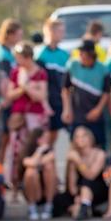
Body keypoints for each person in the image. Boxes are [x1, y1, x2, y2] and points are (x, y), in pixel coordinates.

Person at [61, 39, 111, 146]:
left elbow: (106, 92)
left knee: (98, 145)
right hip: (77, 115)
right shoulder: (72, 65)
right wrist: (67, 109)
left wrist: (97, 110)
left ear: (91, 54)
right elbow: (65, 89)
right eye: (80, 52)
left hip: (96, 116)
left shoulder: (103, 69)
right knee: (76, 145)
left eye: (83, 53)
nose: (80, 55)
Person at [58, 125, 108, 220]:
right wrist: (77, 195)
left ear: (90, 137)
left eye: (84, 136)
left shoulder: (99, 154)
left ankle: (83, 207)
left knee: (87, 183)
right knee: (60, 198)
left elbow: (91, 175)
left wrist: (78, 161)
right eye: (77, 136)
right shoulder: (74, 155)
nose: (80, 139)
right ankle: (82, 207)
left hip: (97, 189)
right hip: (80, 190)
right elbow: (72, 186)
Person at [36, 18, 70, 147]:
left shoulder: (64, 54)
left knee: (57, 132)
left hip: (60, 99)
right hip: (47, 100)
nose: (63, 34)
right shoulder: (40, 54)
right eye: (60, 31)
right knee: (46, 134)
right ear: (50, 32)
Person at [5, 41, 49, 130]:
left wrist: (25, 86)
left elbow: (41, 96)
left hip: (35, 114)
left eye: (19, 58)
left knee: (33, 141)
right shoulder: (15, 72)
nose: (17, 61)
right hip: (18, 115)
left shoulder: (40, 73)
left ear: (28, 57)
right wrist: (23, 88)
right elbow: (9, 94)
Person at [20, 127, 57, 220]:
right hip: (32, 188)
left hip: (47, 189)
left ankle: (49, 205)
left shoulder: (50, 151)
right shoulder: (26, 151)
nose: (46, 141)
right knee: (30, 172)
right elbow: (31, 163)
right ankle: (32, 206)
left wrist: (37, 160)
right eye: (44, 138)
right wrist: (39, 151)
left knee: (49, 167)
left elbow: (41, 161)